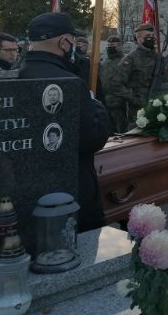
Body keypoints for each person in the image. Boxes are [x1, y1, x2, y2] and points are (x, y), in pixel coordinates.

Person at [19, 12, 111, 232]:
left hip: (25, 187)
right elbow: (92, 138)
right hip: (70, 188)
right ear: (65, 42)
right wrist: (96, 105)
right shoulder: (69, 82)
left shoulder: (15, 75)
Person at [109, 23, 165, 127]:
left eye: (153, 36)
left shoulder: (159, 58)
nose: (151, 39)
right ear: (138, 39)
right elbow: (116, 84)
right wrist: (134, 99)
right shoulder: (130, 59)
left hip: (158, 108)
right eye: (148, 36)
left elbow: (165, 80)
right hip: (137, 112)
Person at [100, 35, 127, 135]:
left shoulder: (125, 61)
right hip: (105, 104)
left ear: (120, 46)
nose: (110, 46)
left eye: (113, 45)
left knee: (120, 133)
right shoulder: (104, 63)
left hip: (119, 105)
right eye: (109, 45)